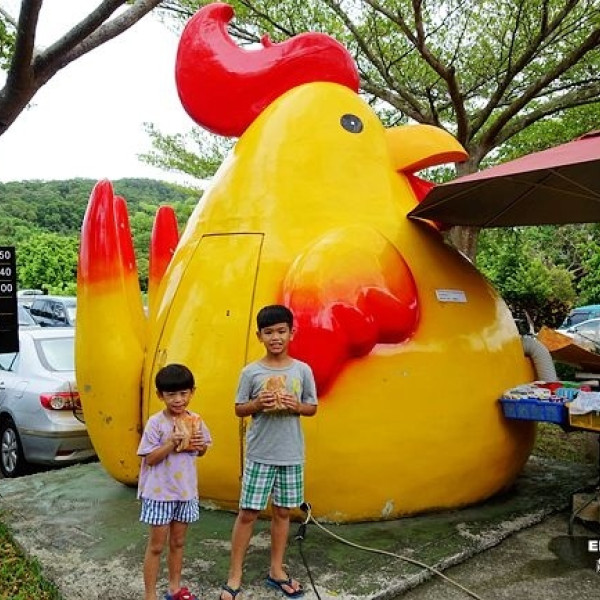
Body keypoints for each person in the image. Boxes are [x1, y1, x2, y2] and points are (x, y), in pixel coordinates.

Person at [220, 305, 318, 600]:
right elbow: (239, 409)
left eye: (281, 331)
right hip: (260, 453)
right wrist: (257, 404)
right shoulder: (251, 372)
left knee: (283, 512)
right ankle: (235, 575)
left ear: (291, 333)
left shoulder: (302, 370)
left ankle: (276, 570)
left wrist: (296, 405)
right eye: (269, 332)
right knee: (248, 513)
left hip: (291, 454)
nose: (276, 337)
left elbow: (312, 407)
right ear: (259, 336)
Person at [138, 363, 212, 600]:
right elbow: (150, 458)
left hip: (185, 492)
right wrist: (171, 443)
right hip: (160, 493)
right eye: (171, 394)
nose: (178, 399)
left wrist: (199, 446)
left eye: (183, 393)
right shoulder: (156, 423)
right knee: (156, 546)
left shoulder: (196, 420)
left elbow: (202, 450)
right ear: (160, 395)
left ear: (192, 392)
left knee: (178, 542)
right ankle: (150, 595)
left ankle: (175, 588)